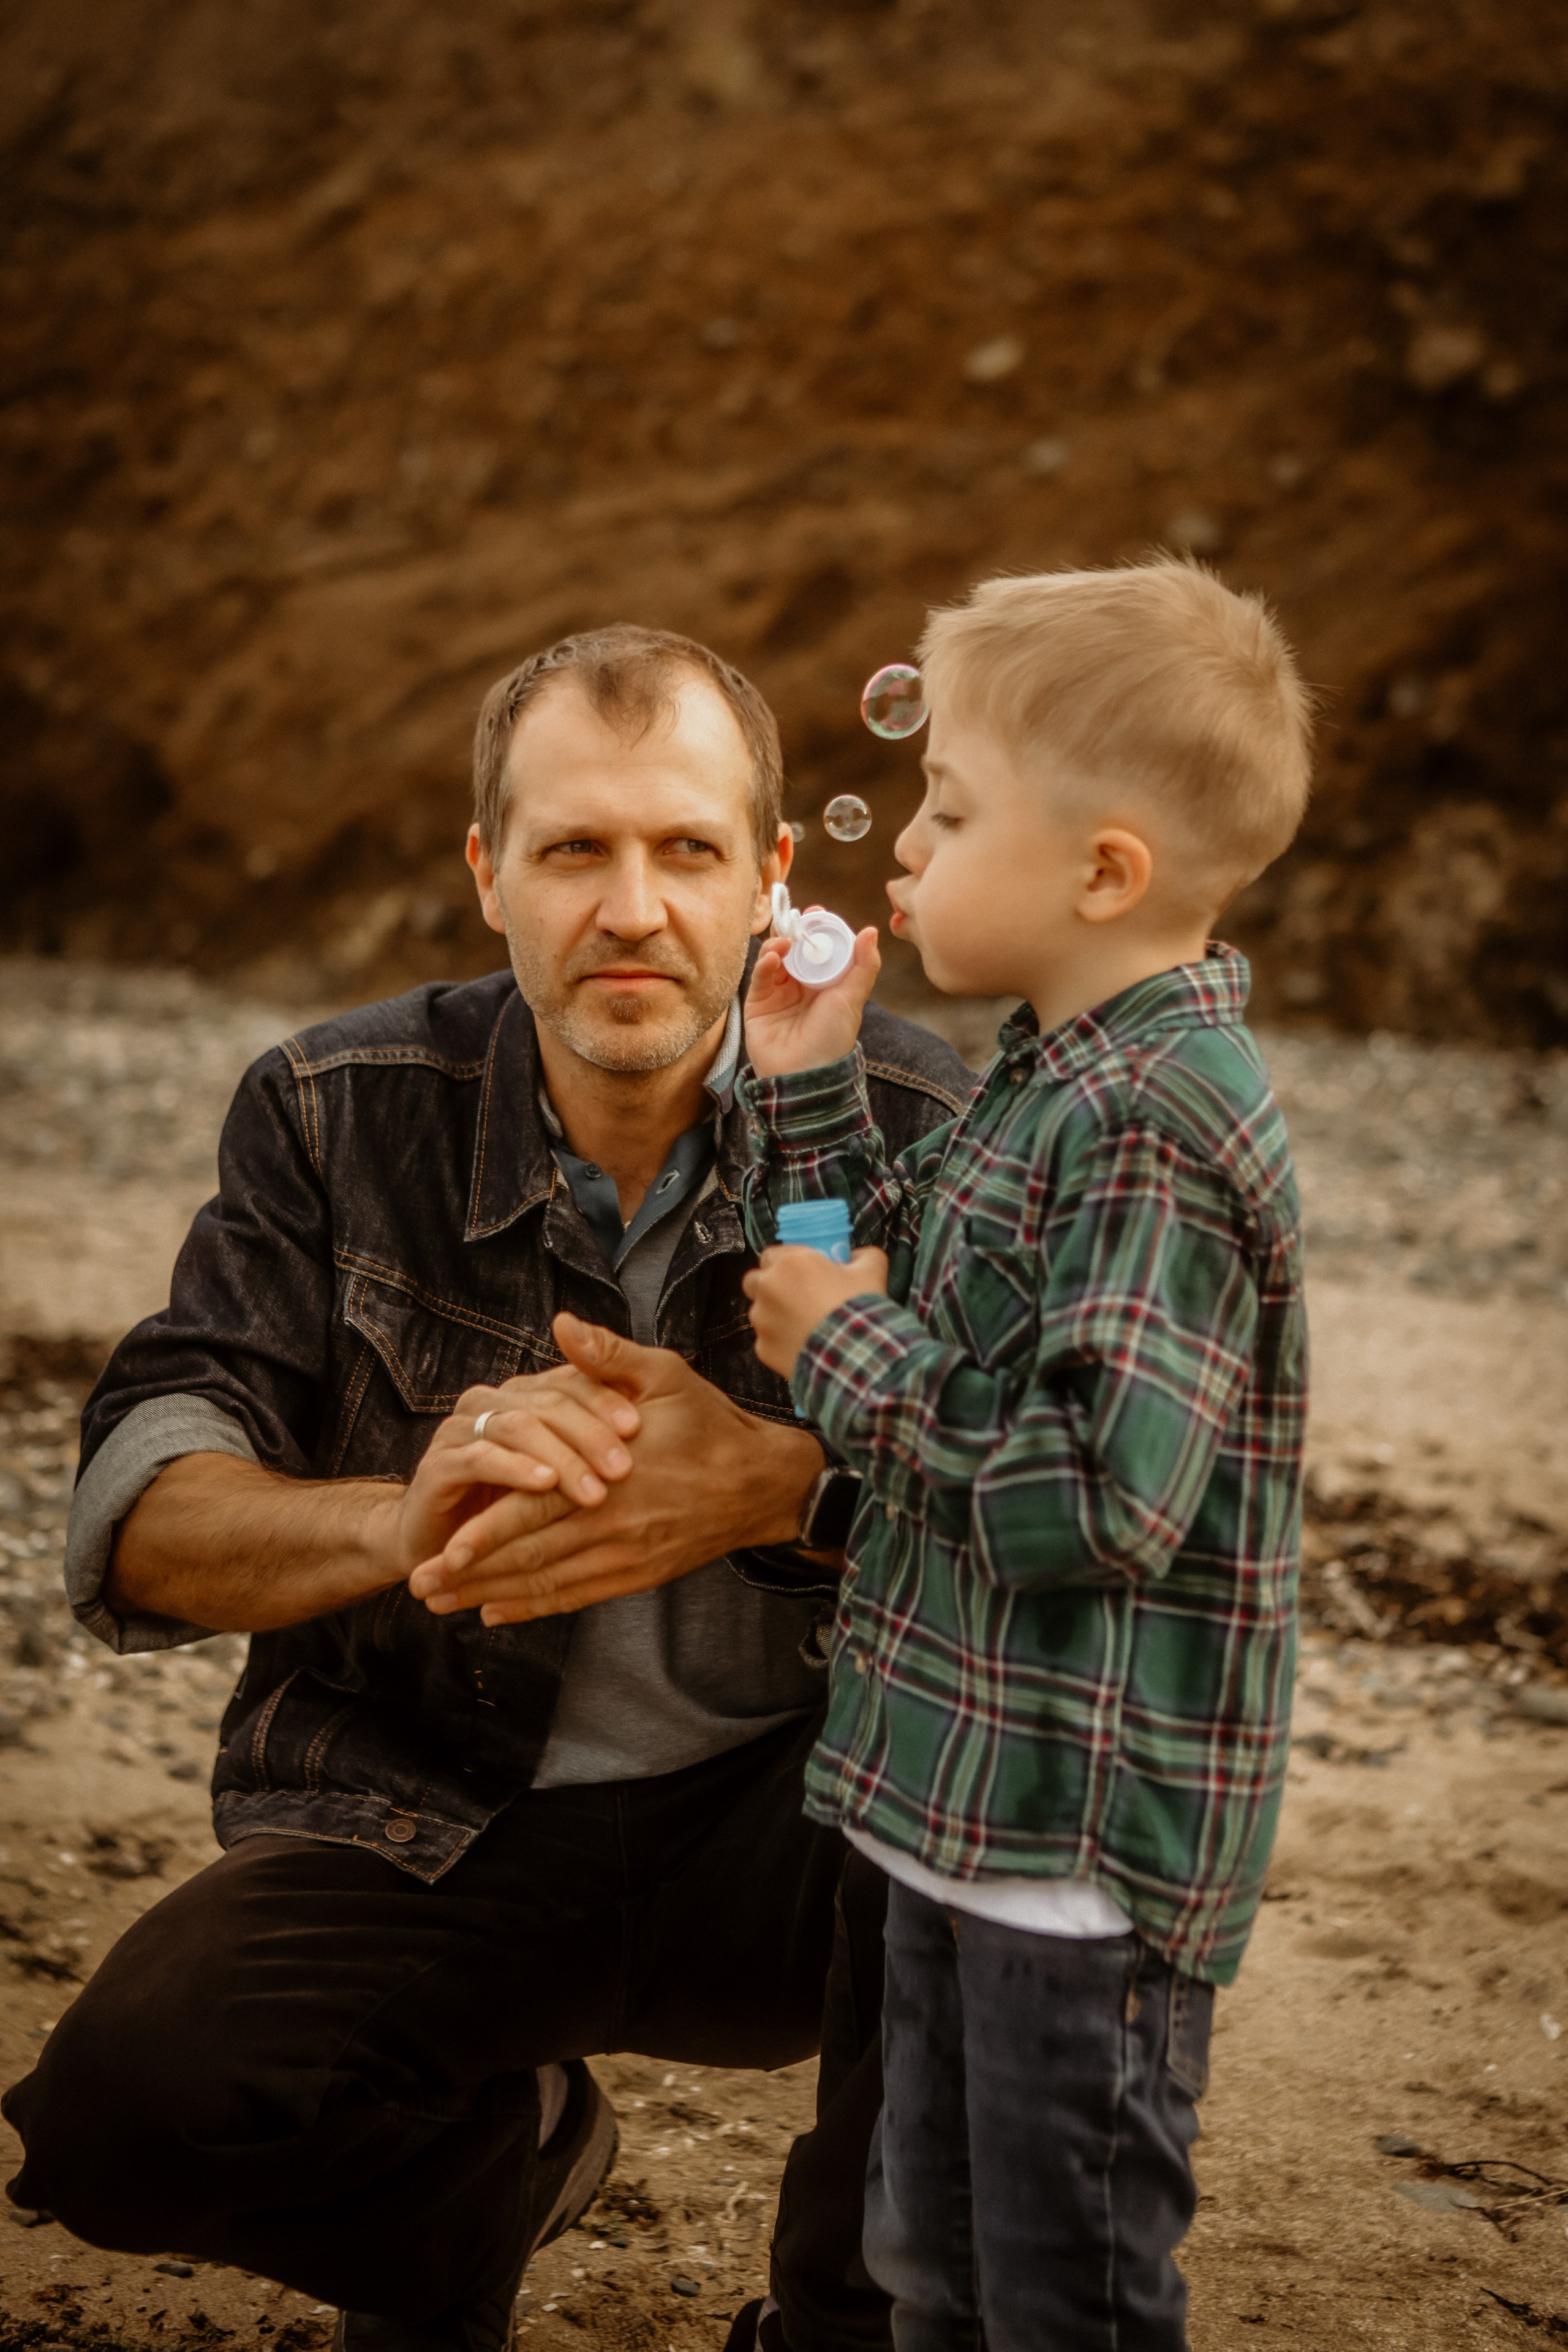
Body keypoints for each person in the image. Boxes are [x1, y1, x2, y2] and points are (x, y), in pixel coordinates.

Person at [1, 626, 970, 2352]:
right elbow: (142, 1497)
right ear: (486, 876)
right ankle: (501, 2172)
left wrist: (776, 1488)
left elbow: (1043, 1522)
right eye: (573, 850)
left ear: (770, 879)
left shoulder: (910, 1117)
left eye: (685, 850)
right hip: (437, 1825)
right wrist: (393, 1515)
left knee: (1018, 1841)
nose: (630, 908)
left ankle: (837, 2331)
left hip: (798, 1835)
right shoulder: (327, 1108)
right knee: (119, 2124)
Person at [737, 560, 1313, 2350]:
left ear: (1104, 872)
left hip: (1072, 1850)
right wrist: (811, 1090)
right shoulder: (1050, 1077)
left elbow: (1092, 1498)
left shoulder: (1156, 1123)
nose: (904, 847)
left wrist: (847, 1345)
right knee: (936, 2271)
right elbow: (867, 1266)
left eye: (951, 807)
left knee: (1061, 2296)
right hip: (952, 1809)